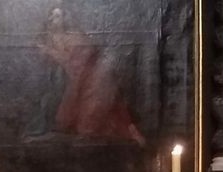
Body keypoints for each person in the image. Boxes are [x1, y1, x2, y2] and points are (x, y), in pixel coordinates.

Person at [38, 7, 145, 145]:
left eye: (59, 16)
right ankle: (92, 128)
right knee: (99, 84)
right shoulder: (46, 39)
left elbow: (88, 50)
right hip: (77, 73)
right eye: (53, 16)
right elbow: (56, 59)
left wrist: (85, 59)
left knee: (105, 82)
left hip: (87, 69)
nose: (56, 20)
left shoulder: (74, 35)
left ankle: (125, 128)